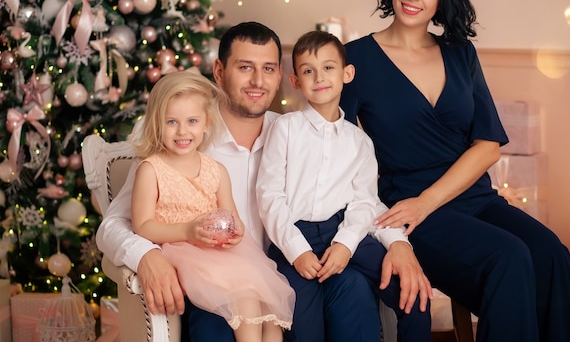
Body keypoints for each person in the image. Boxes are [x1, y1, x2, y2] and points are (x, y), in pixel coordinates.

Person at [339, 0, 570, 342]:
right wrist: (398, 214)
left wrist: (429, 199)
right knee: (508, 257)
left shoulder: (460, 52)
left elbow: (487, 145)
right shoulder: (354, 60)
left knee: (552, 254)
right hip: (406, 210)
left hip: (470, 199)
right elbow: (334, 146)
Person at [96, 21, 385, 342]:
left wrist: (397, 243)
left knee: (355, 288)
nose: (258, 81)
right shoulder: (186, 135)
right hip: (212, 280)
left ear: (281, 77)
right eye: (245, 67)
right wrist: (146, 256)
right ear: (219, 71)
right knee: (215, 324)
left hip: (289, 275)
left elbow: (360, 195)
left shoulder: (295, 132)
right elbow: (113, 225)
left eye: (269, 69)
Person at [256, 30, 432, 342]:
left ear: (346, 74)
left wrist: (346, 244)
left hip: (343, 231)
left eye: (328, 68)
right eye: (308, 71)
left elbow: (364, 202)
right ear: (295, 81)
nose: (319, 77)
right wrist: (297, 251)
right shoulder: (285, 129)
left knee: (414, 293)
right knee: (304, 329)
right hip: (296, 237)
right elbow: (269, 195)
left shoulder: (360, 142)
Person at [129, 71, 294, 342]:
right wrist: (188, 231)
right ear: (157, 124)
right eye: (172, 122)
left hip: (221, 251)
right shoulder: (151, 169)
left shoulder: (215, 169)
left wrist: (236, 232)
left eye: (192, 121)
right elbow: (142, 225)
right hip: (185, 251)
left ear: (206, 123)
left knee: (264, 302)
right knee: (245, 297)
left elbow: (232, 216)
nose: (183, 131)